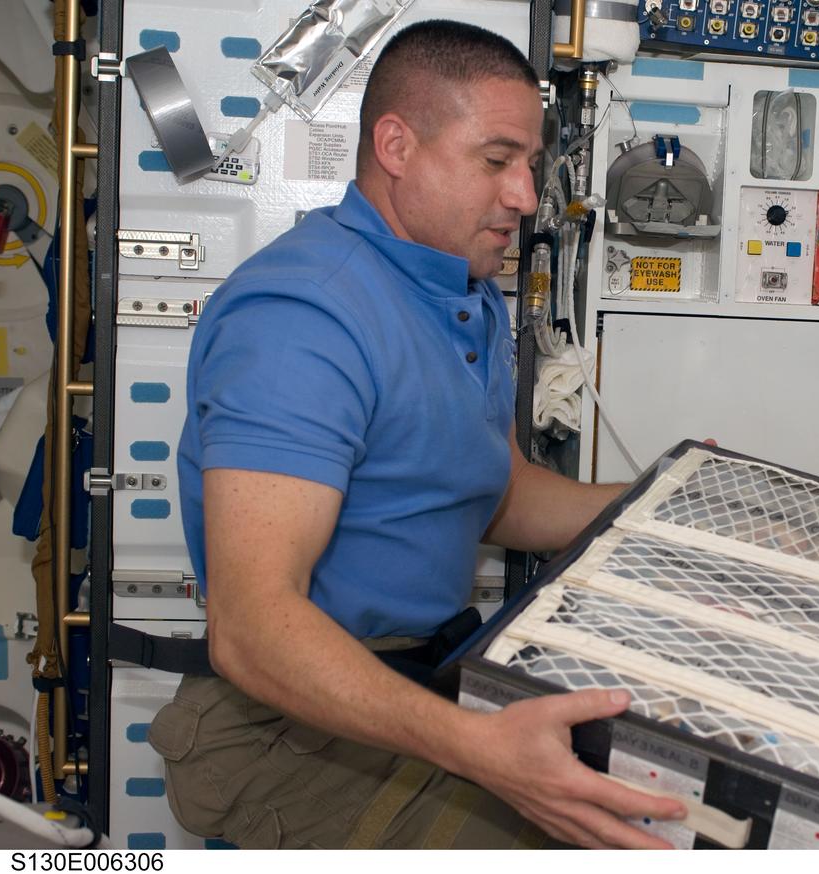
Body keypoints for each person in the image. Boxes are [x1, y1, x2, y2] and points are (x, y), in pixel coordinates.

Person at [147, 20, 687, 850]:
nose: (525, 197)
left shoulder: (463, 297)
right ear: (396, 145)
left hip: (428, 675)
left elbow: (498, 494)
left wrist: (667, 506)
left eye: (531, 166)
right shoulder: (304, 318)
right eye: (496, 160)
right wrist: (482, 750)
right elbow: (252, 631)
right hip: (291, 726)